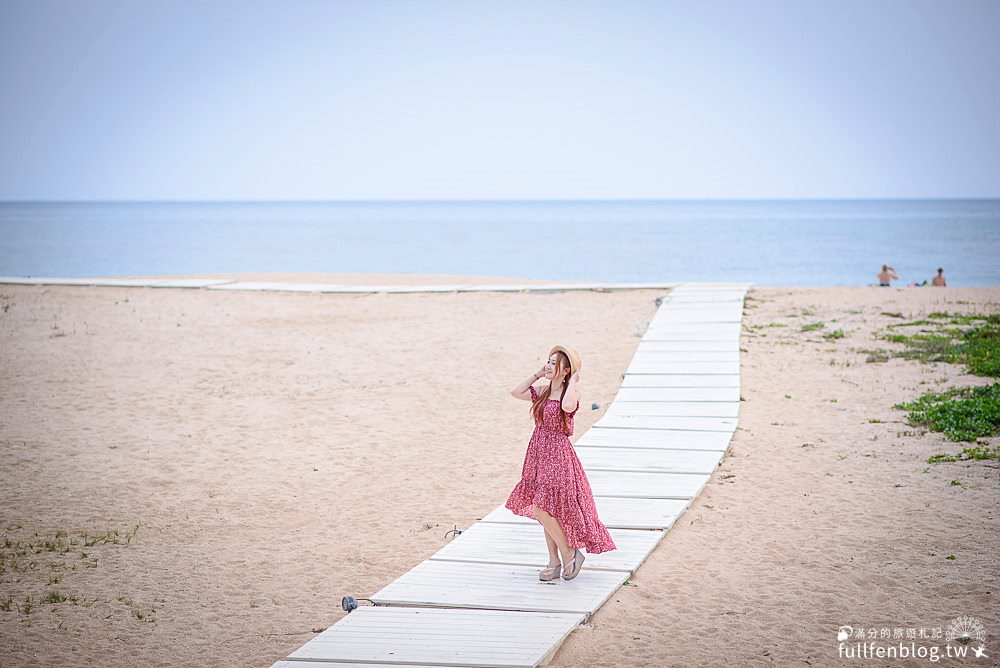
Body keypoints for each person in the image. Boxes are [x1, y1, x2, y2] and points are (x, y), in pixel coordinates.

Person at [505, 345, 617, 582]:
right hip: (538, 452)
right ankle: (554, 561)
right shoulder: (544, 391)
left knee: (542, 507)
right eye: (548, 360)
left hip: (558, 456)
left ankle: (569, 553)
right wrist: (537, 373)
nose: (548, 365)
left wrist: (572, 381)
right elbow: (516, 392)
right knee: (546, 508)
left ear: (566, 370)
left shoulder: (570, 394)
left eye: (554, 363)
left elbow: (567, 407)